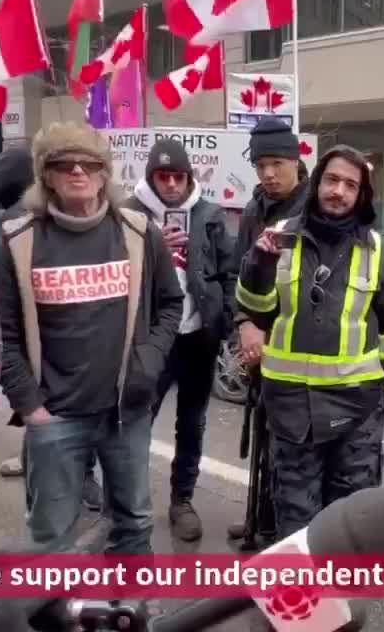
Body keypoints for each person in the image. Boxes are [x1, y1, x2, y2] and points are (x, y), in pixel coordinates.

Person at [0, 121, 183, 554]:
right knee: (51, 538)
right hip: (54, 419)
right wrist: (30, 407)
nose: (78, 172)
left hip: (125, 415)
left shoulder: (138, 233)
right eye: (63, 164)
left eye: (89, 163)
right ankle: (55, 615)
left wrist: (148, 358)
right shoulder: (15, 243)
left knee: (133, 523)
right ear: (46, 175)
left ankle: (130, 612)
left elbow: (171, 302)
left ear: (104, 173)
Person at [235, 144, 384, 538]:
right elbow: (255, 309)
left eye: (351, 185)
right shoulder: (277, 239)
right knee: (297, 523)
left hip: (357, 408)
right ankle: (303, 598)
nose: (339, 192)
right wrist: (258, 266)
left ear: (362, 195)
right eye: (332, 179)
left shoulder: (381, 252)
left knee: (349, 521)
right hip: (290, 407)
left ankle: (343, 598)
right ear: (316, 184)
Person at [126, 137, 237, 541]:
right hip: (152, 339)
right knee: (138, 420)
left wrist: (223, 325)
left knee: (192, 423)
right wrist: (152, 250)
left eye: (178, 176)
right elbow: (116, 269)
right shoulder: (130, 213)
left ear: (189, 177)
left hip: (198, 338)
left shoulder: (208, 214)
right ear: (151, 177)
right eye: (163, 176)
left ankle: (182, 501)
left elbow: (228, 272)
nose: (171, 184)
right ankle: (127, 503)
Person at [226, 119, 311, 546]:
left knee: (290, 450)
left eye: (276, 163)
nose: (268, 174)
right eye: (260, 165)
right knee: (262, 438)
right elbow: (237, 274)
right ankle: (259, 517)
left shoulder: (316, 209)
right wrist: (244, 325)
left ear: (297, 160)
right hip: (260, 342)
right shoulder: (254, 209)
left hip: (300, 349)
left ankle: (279, 530)